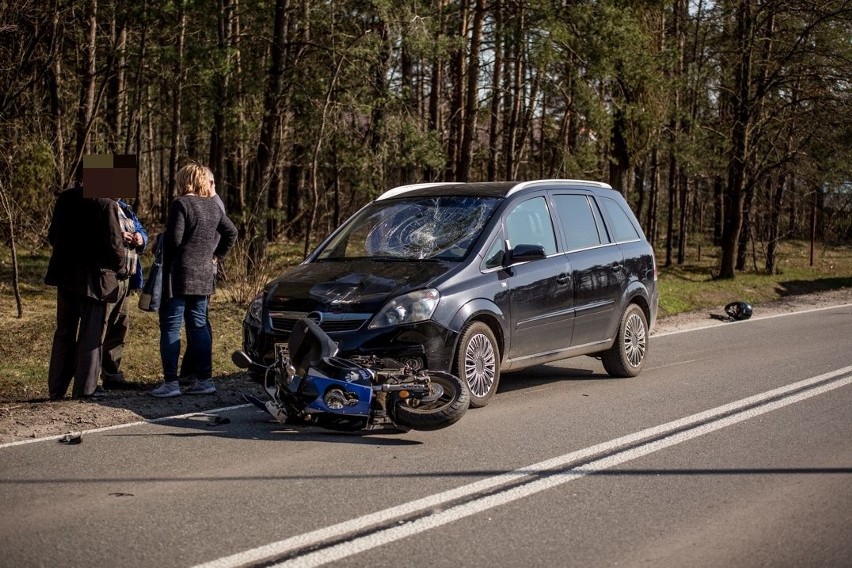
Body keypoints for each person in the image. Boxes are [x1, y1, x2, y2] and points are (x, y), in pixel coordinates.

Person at [149, 163, 237, 398]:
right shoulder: (213, 207)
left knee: (171, 327)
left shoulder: (181, 204)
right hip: (203, 274)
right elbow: (232, 232)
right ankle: (205, 379)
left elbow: (175, 240)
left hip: (178, 275)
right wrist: (216, 254)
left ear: (184, 180)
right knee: (199, 326)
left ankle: (171, 382)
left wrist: (159, 240)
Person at [45, 182, 127, 400]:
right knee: (91, 336)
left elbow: (53, 235)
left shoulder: (66, 198)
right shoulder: (106, 204)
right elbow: (114, 245)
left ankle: (57, 387)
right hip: (96, 279)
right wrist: (122, 269)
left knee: (64, 332)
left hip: (66, 274)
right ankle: (85, 389)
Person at [178, 166, 225, 384]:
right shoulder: (211, 204)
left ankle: (196, 372)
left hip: (197, 270)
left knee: (197, 322)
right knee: (197, 322)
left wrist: (215, 255)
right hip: (204, 270)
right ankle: (193, 372)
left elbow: (226, 234)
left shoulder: (213, 205)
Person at [100, 198, 148, 390]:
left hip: (126, 278)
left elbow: (142, 230)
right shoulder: (101, 205)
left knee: (120, 326)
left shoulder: (125, 207)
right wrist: (119, 237)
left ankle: (112, 375)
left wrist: (140, 238)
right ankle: (91, 379)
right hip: (107, 277)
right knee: (100, 327)